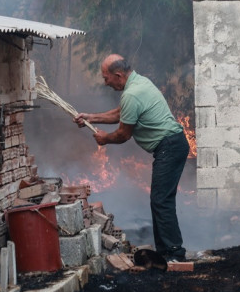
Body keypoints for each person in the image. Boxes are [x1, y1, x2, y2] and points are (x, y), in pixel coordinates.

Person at [74, 54, 189, 261]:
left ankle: (174, 253)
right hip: (173, 144)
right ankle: (166, 251)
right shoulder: (139, 82)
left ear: (118, 75)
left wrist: (104, 139)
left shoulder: (132, 94)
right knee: (161, 200)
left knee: (161, 200)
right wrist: (90, 117)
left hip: (169, 146)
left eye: (106, 77)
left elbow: (123, 134)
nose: (105, 82)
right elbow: (121, 113)